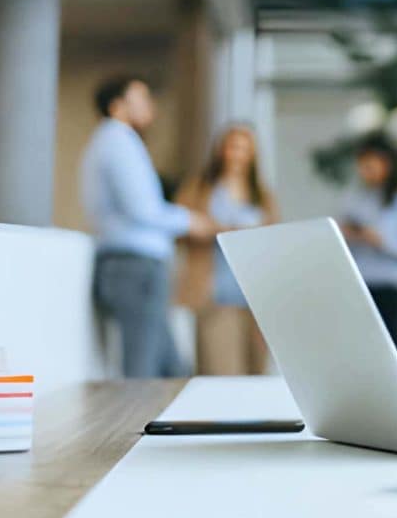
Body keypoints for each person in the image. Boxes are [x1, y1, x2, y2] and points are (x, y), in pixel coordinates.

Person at [80, 76, 214, 378]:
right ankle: (137, 425)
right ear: (116, 107)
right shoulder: (119, 141)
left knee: (170, 369)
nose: (150, 106)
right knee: (144, 371)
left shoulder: (110, 142)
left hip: (133, 267)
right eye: (140, 99)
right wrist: (191, 221)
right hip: (135, 267)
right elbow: (142, 209)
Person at [176, 124, 281, 375]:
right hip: (215, 297)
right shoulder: (199, 189)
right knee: (221, 374)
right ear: (221, 150)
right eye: (233, 146)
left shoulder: (262, 195)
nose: (238, 154)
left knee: (255, 376)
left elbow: (275, 245)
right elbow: (179, 228)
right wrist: (215, 229)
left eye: (245, 148)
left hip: (254, 302)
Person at [339, 134, 397, 350]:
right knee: (358, 351)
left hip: (391, 289)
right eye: (362, 166)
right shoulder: (357, 196)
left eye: (370, 165)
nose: (365, 172)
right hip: (359, 285)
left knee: (390, 350)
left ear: (387, 163)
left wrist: (381, 241)